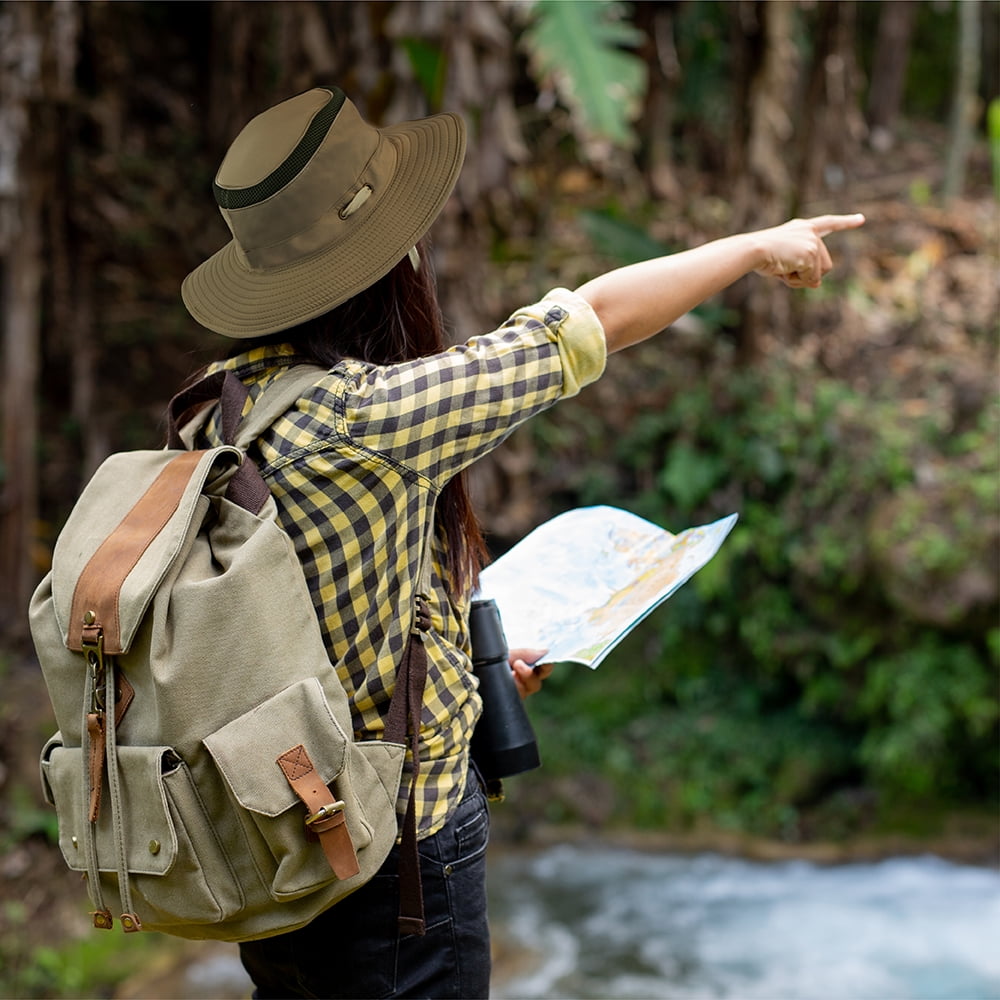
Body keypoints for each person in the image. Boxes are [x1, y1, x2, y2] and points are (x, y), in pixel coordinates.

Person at [179, 85, 864, 999]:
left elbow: (306, 615)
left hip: (280, 847)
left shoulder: (211, 408)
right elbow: (590, 324)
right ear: (387, 260)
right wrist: (750, 246)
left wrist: (456, 663)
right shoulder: (369, 420)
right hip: (400, 860)